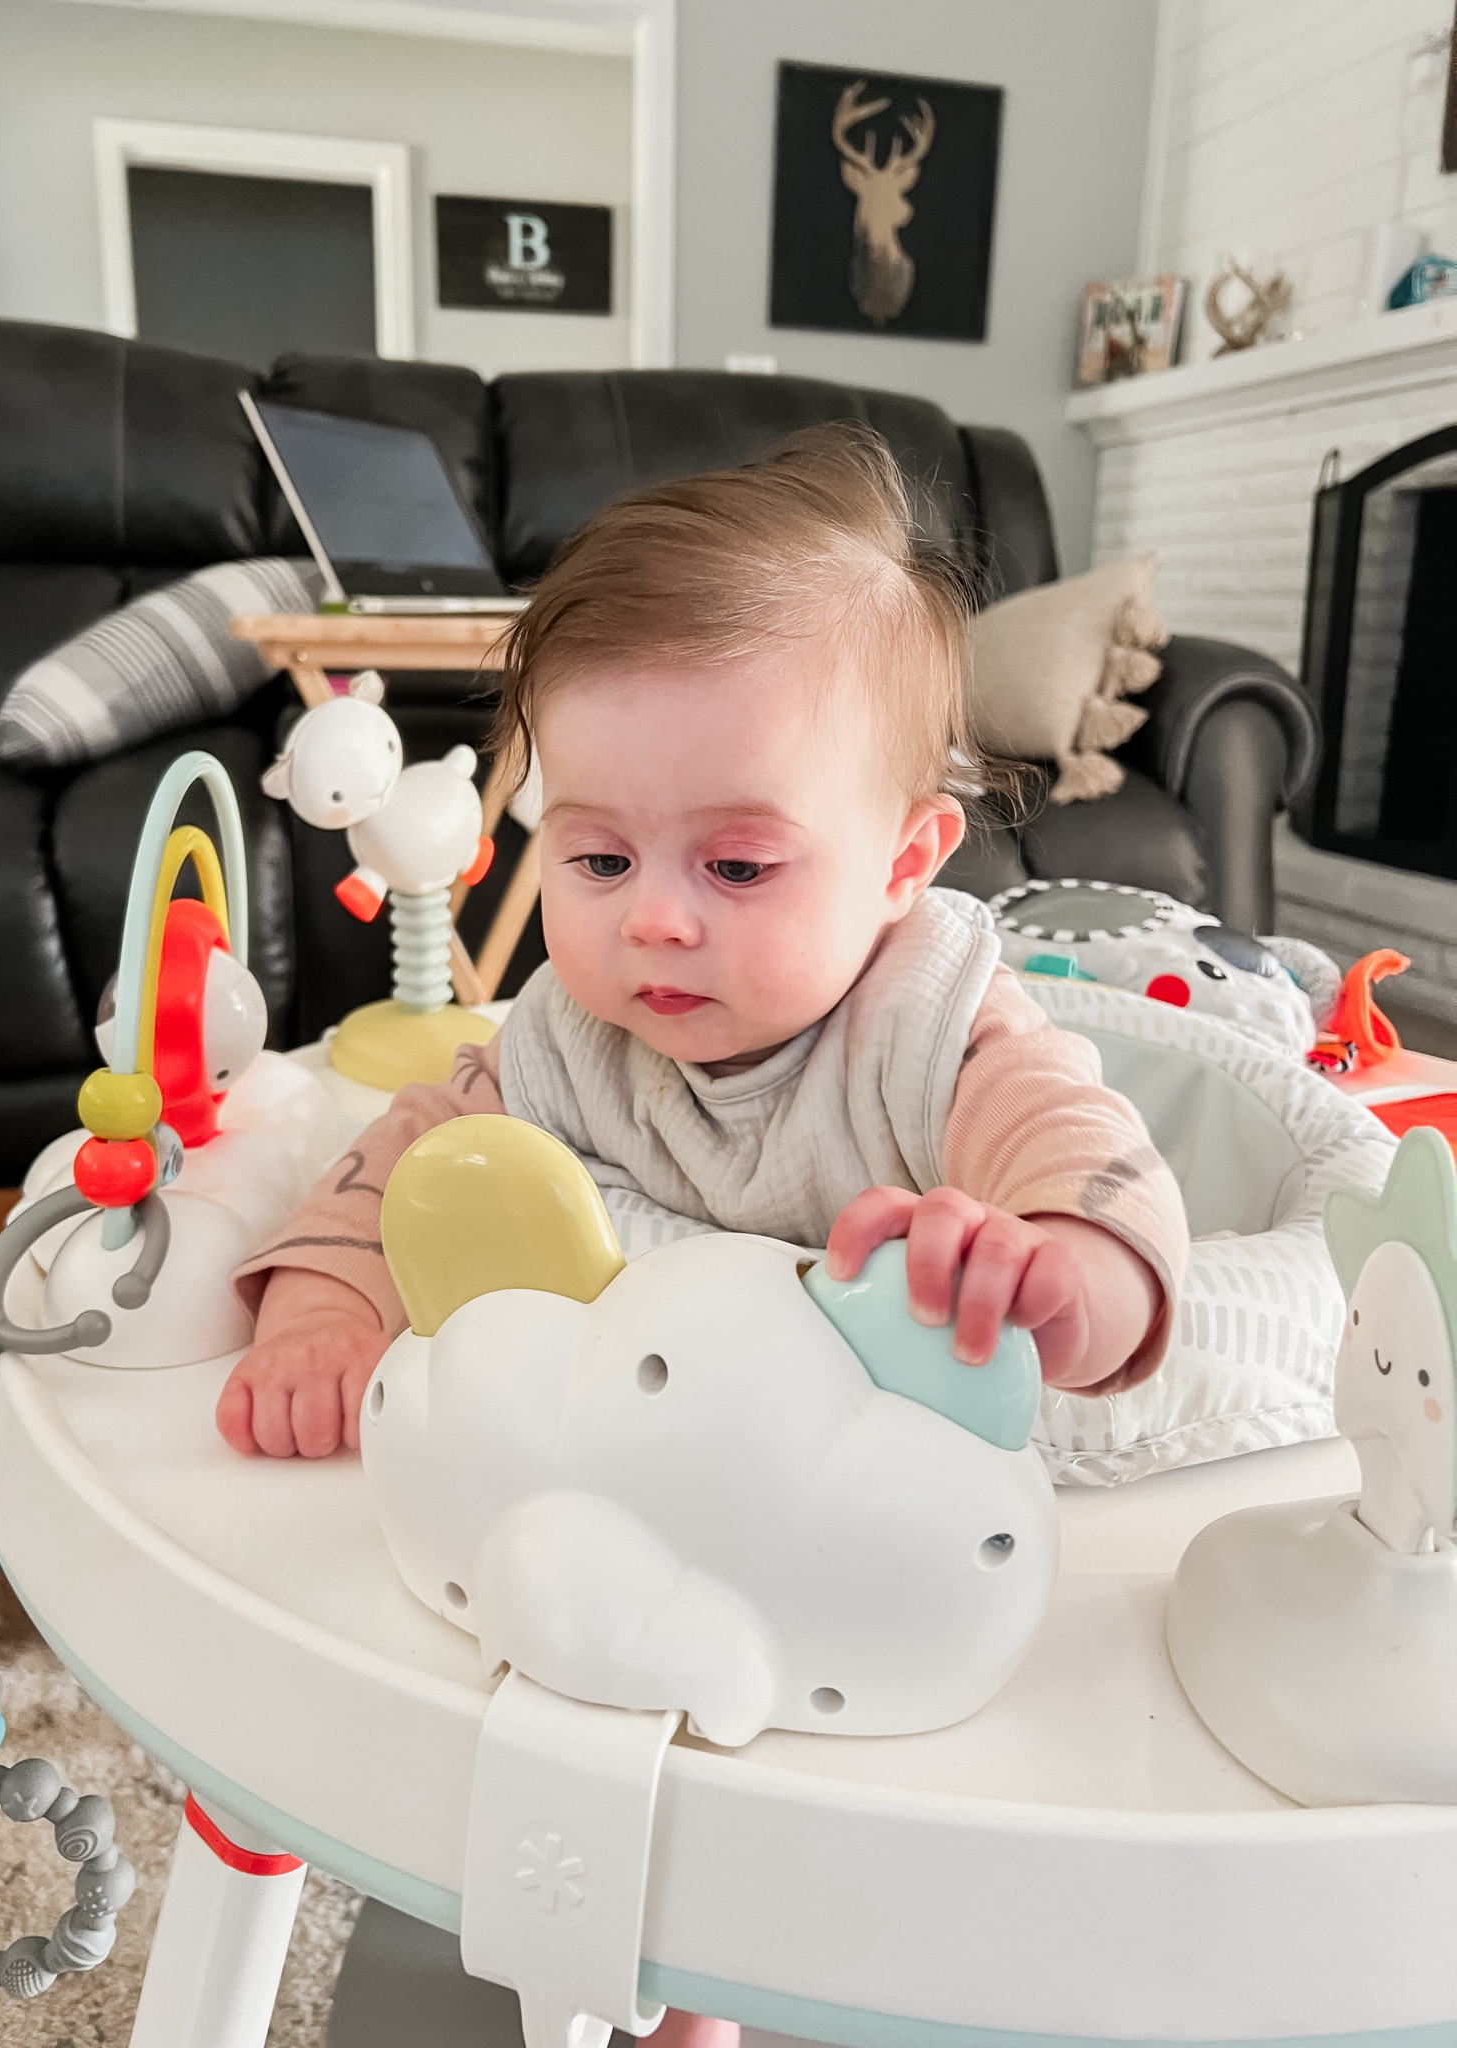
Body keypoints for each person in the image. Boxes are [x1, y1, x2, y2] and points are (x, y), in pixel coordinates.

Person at [222, 423, 1189, 2048]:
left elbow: (1082, 1149)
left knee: (861, 1848)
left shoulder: (933, 1020)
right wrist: (327, 1295)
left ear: (902, 861)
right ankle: (663, 1973)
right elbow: (411, 1159)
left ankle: (787, 1984)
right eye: (595, 857)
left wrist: (1058, 1271)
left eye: (737, 861)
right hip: (652, 1512)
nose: (654, 917)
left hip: (860, 1542)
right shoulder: (567, 1034)